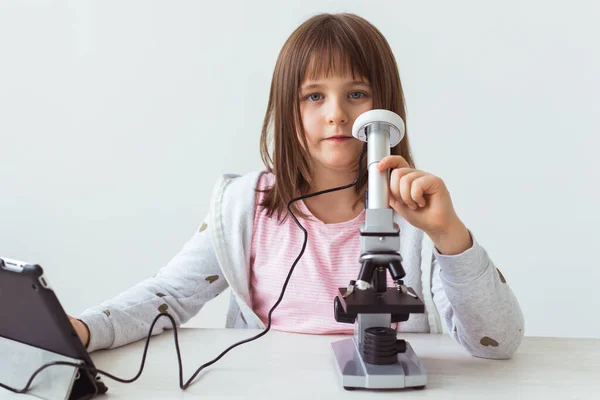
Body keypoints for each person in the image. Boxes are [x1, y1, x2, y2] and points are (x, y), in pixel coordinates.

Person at [69, 12, 524, 359]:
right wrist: (84, 330)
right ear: (289, 110)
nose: (336, 114)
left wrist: (450, 238)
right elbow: (169, 295)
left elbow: (497, 344)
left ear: (386, 106)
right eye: (314, 96)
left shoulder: (415, 214)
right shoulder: (243, 207)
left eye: (357, 94)